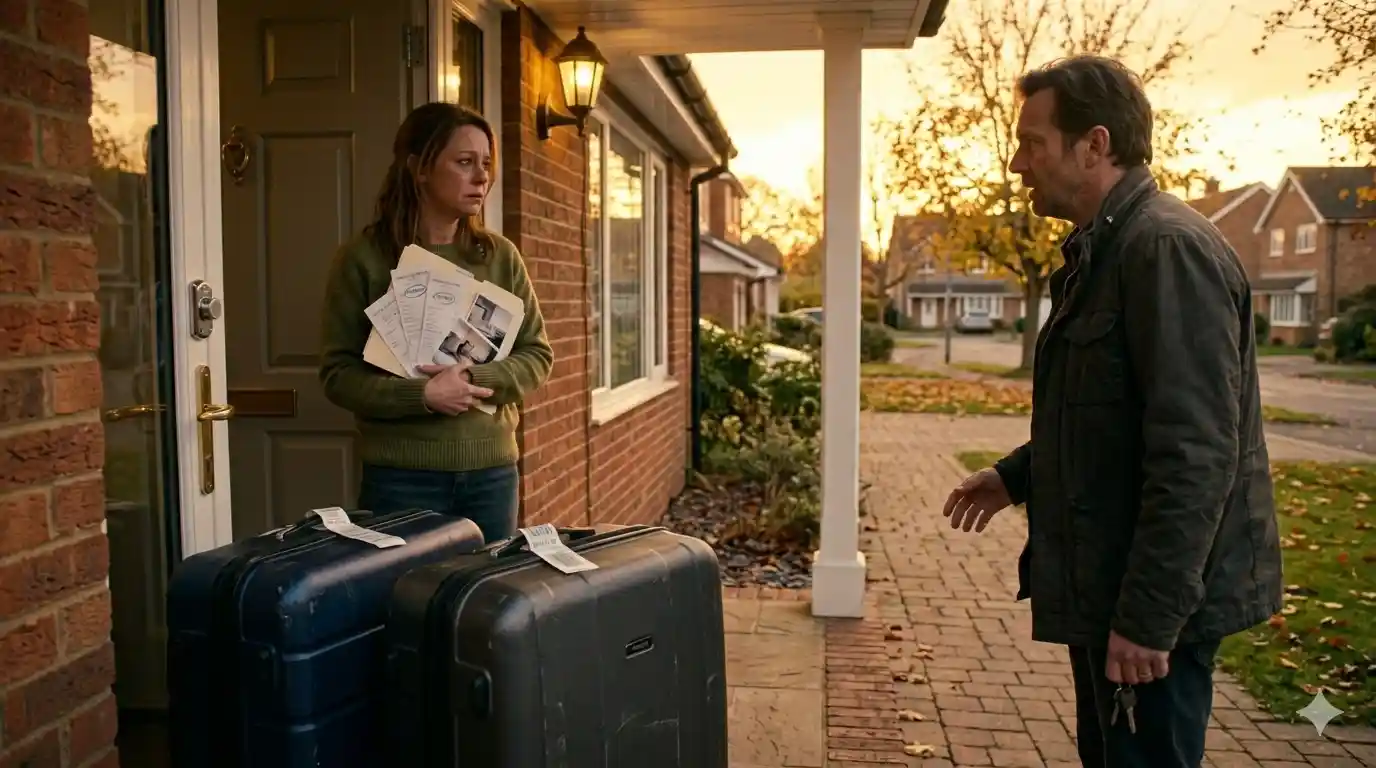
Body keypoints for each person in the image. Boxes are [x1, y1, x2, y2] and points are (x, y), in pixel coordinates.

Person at [941, 56, 1282, 768]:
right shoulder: (1106, 250)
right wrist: (1015, 477)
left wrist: (1149, 620)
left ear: (1095, 145)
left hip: (1148, 611)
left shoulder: (1165, 250)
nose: (1016, 163)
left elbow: (1195, 453)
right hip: (1112, 589)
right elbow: (1109, 419)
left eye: (1032, 141)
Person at [319, 103, 553, 543]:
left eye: (486, 163)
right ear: (419, 168)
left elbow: (538, 355)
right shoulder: (364, 260)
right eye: (464, 163)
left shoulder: (500, 257)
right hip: (401, 477)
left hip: (491, 474)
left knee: (483, 604)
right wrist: (421, 394)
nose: (482, 177)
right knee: (404, 603)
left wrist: (472, 377)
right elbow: (337, 375)